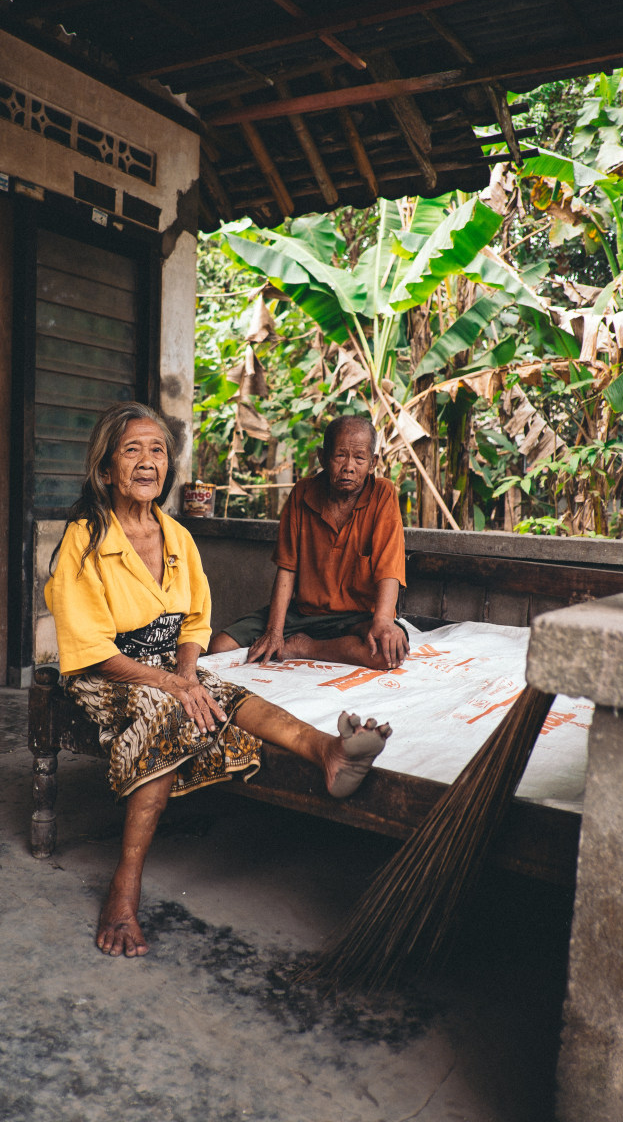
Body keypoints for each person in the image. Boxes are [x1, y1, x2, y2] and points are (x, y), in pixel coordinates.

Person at [45, 402, 392, 959]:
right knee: (171, 713)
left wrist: (186, 673)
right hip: (107, 672)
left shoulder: (176, 535)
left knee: (224, 693)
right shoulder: (84, 541)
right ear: (106, 468)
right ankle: (124, 890)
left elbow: (195, 622)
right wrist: (171, 686)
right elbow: (90, 650)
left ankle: (328, 750)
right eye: (131, 450)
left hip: (166, 667)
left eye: (157, 450)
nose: (147, 462)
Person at [209, 416, 409, 671]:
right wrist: (274, 631)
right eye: (340, 456)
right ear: (322, 458)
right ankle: (314, 642)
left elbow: (389, 568)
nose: (349, 466)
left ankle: (306, 647)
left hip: (359, 617)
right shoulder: (303, 493)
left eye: (359, 458)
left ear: (373, 463)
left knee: (386, 655)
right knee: (219, 647)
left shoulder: (383, 494)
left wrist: (382, 621)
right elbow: (287, 568)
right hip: (303, 614)